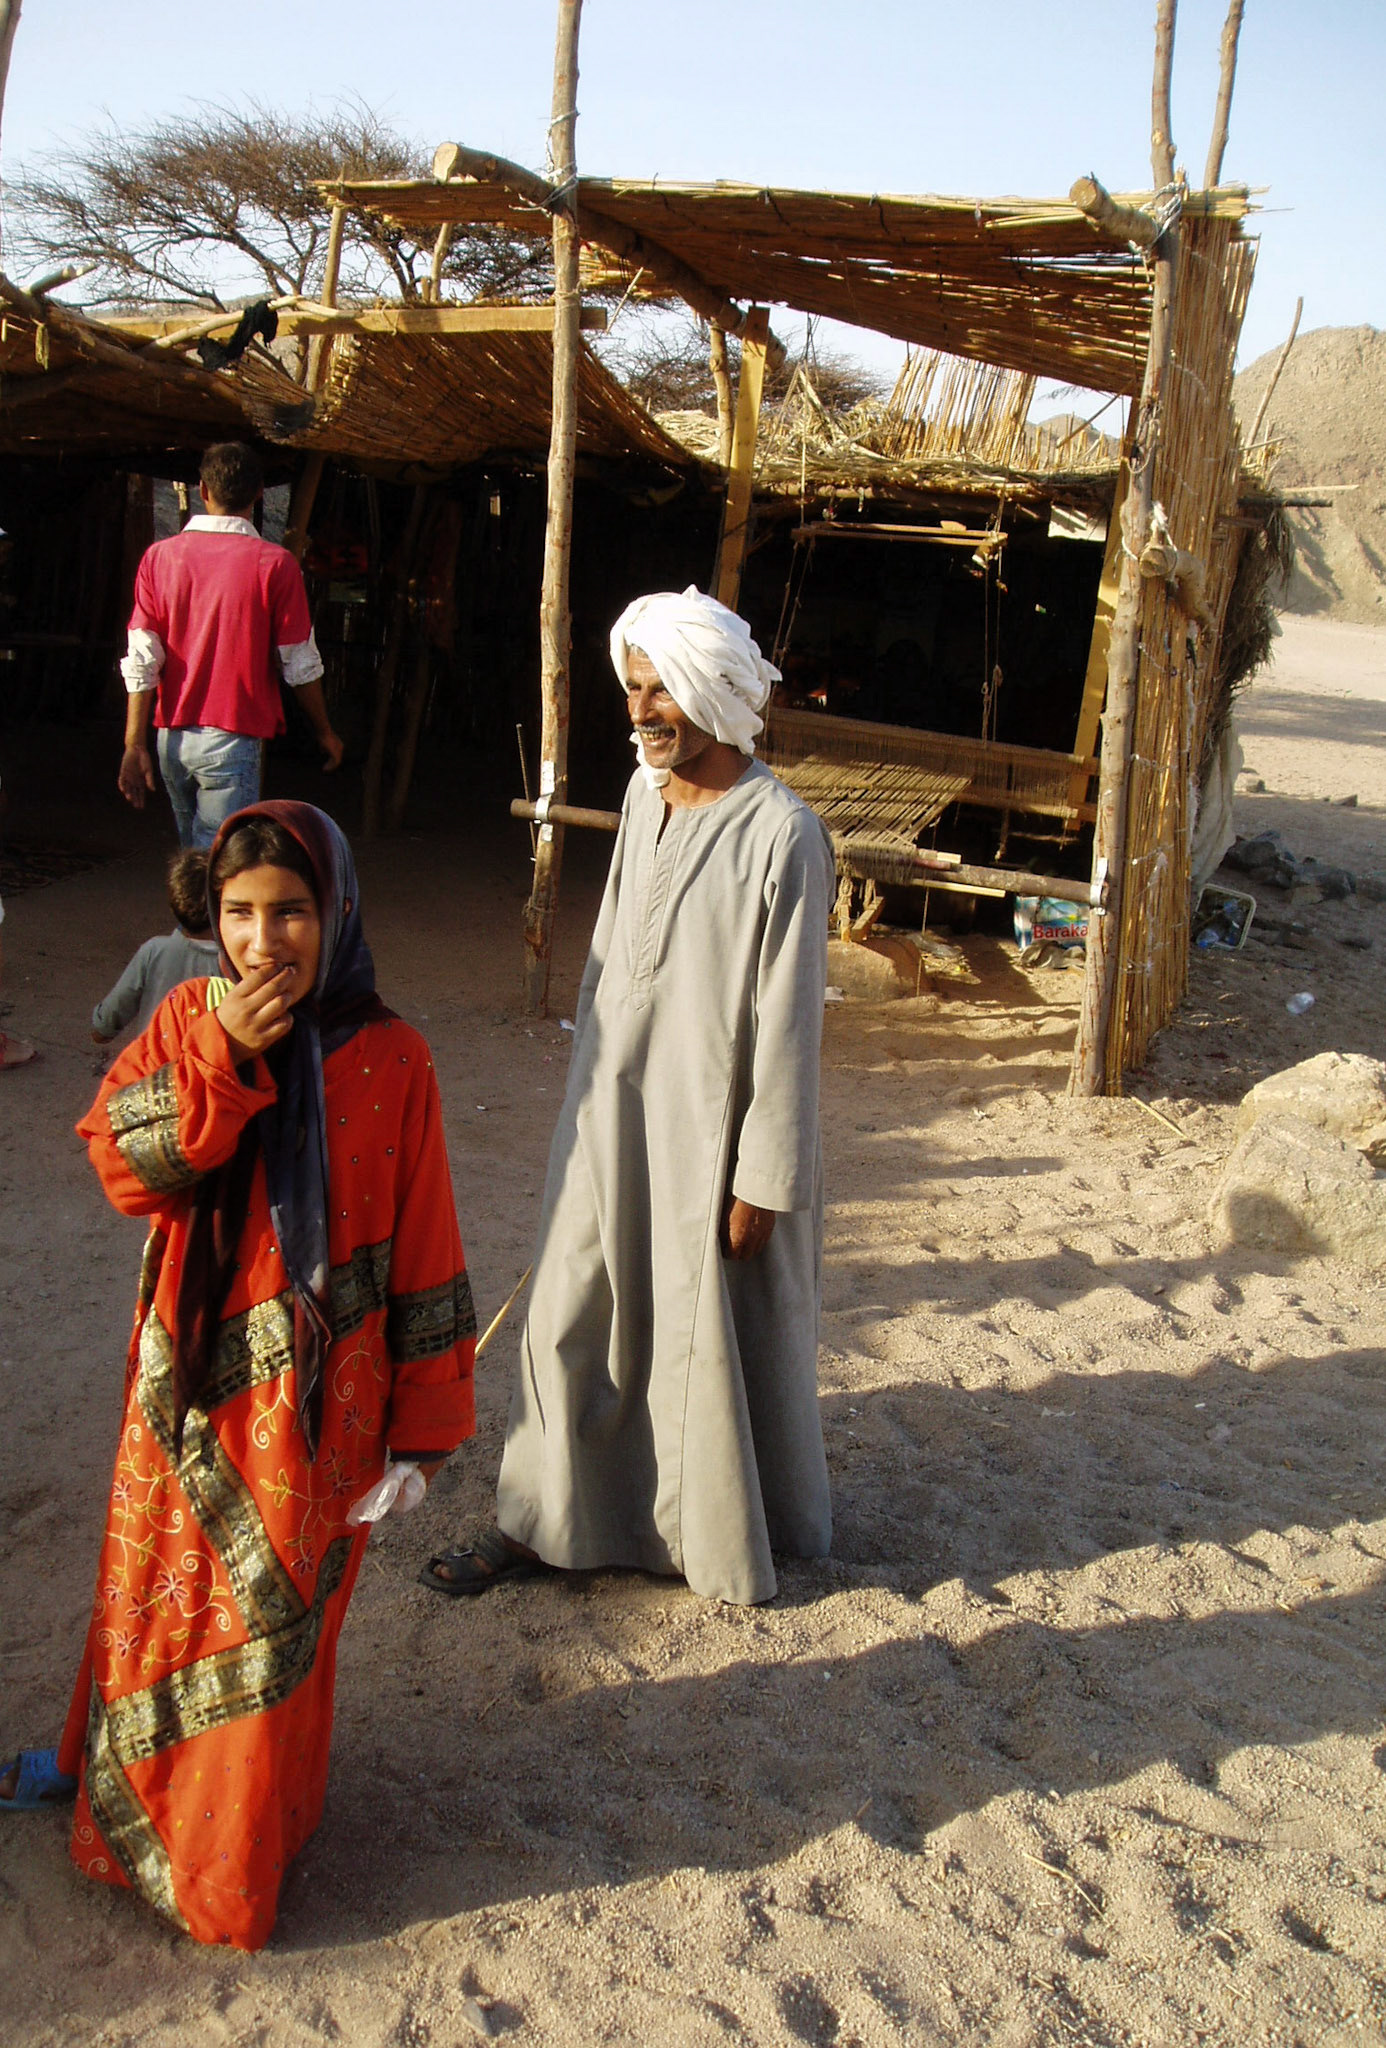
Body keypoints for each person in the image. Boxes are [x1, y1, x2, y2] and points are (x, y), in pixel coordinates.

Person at [0, 802, 476, 1950]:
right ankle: (125, 1803)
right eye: (241, 913)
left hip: (325, 1407)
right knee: (162, 1600)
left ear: (338, 912)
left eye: (293, 911)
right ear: (211, 919)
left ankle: (233, 1863)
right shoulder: (183, 1017)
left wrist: (423, 1429)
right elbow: (124, 1165)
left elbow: (425, 1243)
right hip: (189, 1392)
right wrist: (224, 1054)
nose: (266, 940)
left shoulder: (395, 1055)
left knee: (272, 1632)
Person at [422, 587, 834, 1608]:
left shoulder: (784, 837)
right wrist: (583, 1102)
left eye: (664, 690)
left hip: (713, 1138)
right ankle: (540, 1519)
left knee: (696, 1337)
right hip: (611, 1111)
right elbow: (613, 962)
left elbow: (789, 1032)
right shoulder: (643, 795)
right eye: (635, 687)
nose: (644, 709)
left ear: (715, 691)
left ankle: (706, 1530)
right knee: (566, 1305)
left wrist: (762, 1178)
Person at [119, 443, 344, 848]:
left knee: (197, 858)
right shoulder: (275, 565)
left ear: (203, 490)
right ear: (260, 492)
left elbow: (142, 659)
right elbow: (299, 664)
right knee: (221, 866)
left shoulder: (159, 558)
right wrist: (324, 730)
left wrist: (134, 742)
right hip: (233, 738)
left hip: (172, 738)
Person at [91, 848, 221, 1045]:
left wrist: (102, 1028)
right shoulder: (236, 963)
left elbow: (105, 1024)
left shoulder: (154, 951)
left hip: (153, 1069)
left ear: (173, 905)